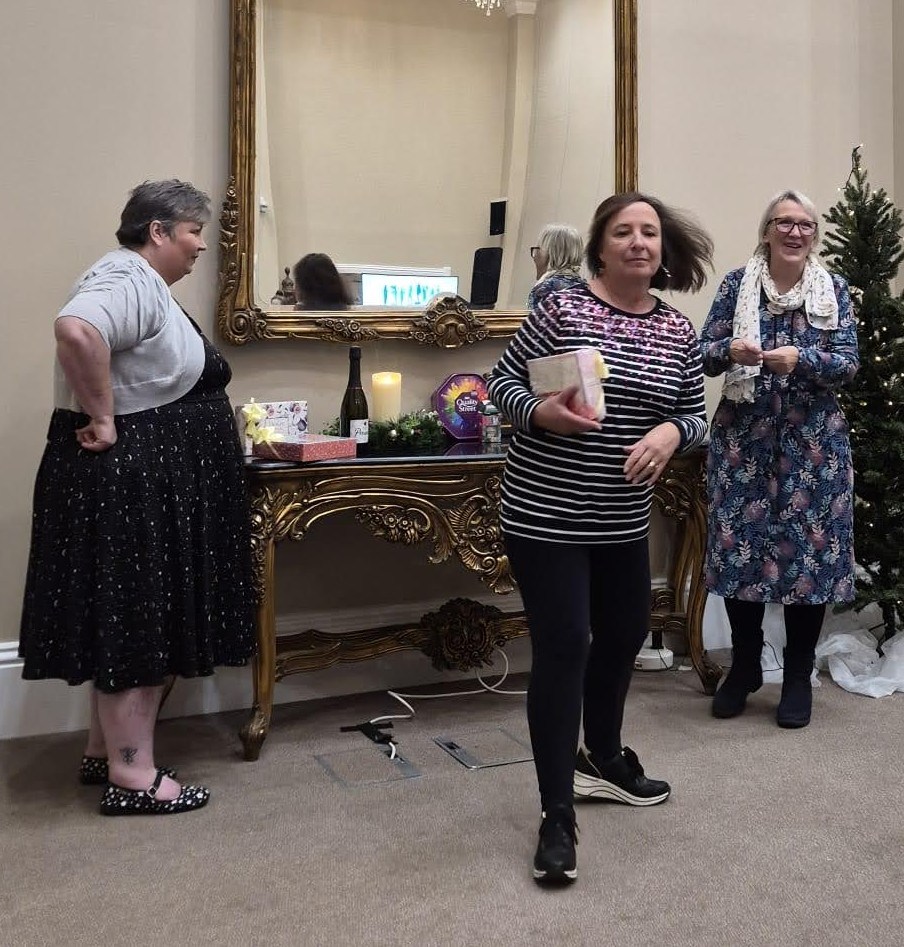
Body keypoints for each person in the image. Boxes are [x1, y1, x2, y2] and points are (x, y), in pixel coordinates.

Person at [488, 192, 712, 884]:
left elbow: (695, 416)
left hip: (621, 521)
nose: (638, 242)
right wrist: (541, 414)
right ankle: (557, 814)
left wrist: (671, 432)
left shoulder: (677, 329)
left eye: (649, 232)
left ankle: (604, 758)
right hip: (545, 517)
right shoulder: (563, 309)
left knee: (623, 636)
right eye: (623, 232)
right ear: (601, 246)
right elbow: (501, 384)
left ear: (662, 249)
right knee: (565, 646)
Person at [19, 180, 256, 815]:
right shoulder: (127, 277)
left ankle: (107, 753)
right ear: (158, 231)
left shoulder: (140, 282)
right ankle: (133, 776)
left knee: (130, 614)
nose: (201, 245)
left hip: (147, 478)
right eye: (193, 232)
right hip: (138, 481)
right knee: (140, 617)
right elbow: (76, 330)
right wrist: (102, 417)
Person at [700, 189, 859, 730]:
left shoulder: (834, 289)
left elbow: (848, 363)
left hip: (813, 446)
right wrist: (730, 351)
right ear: (766, 230)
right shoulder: (736, 285)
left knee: (809, 558)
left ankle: (796, 676)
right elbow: (704, 353)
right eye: (783, 222)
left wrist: (804, 359)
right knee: (738, 551)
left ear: (814, 234)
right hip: (743, 440)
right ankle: (745, 666)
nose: (795, 232)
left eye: (805, 225)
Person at [528, 223, 585, 309]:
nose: (535, 257)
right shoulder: (585, 288)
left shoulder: (545, 290)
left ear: (552, 254)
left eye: (538, 250)